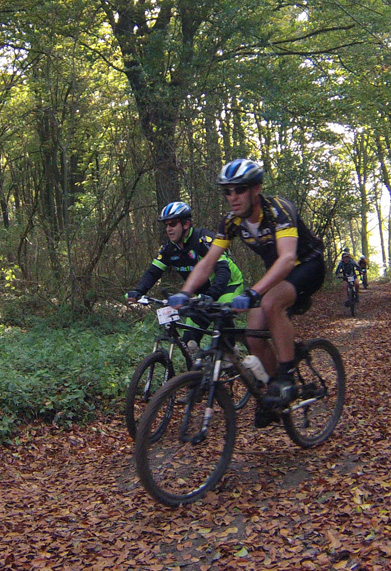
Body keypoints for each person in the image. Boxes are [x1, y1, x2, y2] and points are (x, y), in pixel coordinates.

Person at [167, 158, 325, 427]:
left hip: (307, 265)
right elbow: (208, 262)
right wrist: (186, 292)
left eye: (239, 189)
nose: (233, 196)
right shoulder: (232, 221)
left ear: (256, 189)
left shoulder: (278, 210)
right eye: (227, 191)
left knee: (271, 303)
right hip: (278, 273)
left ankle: (286, 376)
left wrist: (254, 292)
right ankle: (276, 393)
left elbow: (288, 258)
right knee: (253, 336)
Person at [127, 201, 244, 348]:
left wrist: (211, 295)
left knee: (220, 317)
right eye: (166, 225)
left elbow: (223, 271)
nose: (168, 229)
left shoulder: (203, 239)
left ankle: (230, 353)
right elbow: (153, 272)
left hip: (228, 286)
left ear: (186, 224)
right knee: (189, 340)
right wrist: (138, 291)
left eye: (173, 224)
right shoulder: (169, 249)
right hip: (202, 294)